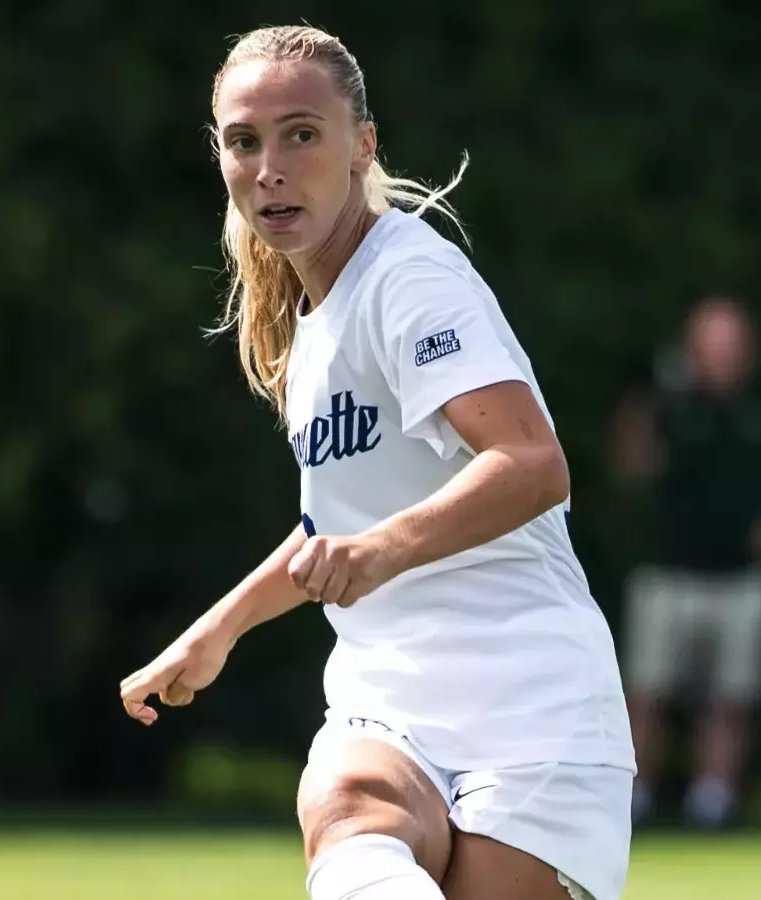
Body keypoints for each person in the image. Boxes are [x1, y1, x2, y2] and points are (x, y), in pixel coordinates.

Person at [118, 25, 635, 900]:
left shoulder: (410, 280)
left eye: (302, 133)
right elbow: (335, 528)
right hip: (390, 701)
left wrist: (381, 552)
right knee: (346, 806)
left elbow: (532, 462)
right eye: (245, 141)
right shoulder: (314, 317)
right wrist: (219, 631)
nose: (271, 166)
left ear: (363, 144)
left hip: (530, 701)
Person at [612, 298, 761, 828]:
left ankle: (713, 801)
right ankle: (635, 797)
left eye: (729, 345)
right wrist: (651, 404)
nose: (719, 357)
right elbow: (631, 464)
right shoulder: (668, 399)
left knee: (731, 696)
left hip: (744, 576)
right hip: (669, 568)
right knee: (646, 689)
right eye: (709, 345)